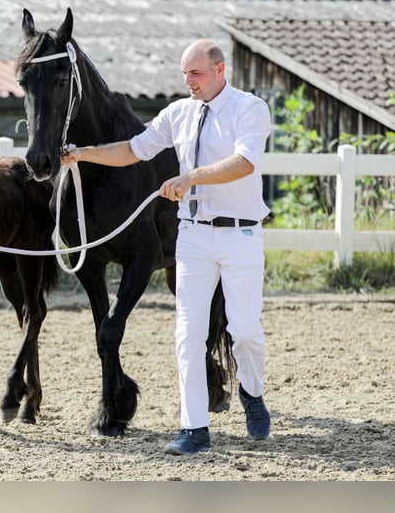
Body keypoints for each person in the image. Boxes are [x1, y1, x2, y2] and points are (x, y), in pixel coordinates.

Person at [61, 39, 271, 454]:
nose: (189, 81)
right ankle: (194, 428)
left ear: (219, 70)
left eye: (196, 73)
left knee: (244, 332)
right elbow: (133, 151)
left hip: (241, 235)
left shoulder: (249, 109)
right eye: (185, 74)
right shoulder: (178, 113)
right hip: (193, 235)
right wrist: (83, 154)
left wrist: (190, 178)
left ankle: (252, 392)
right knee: (188, 335)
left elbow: (245, 162)